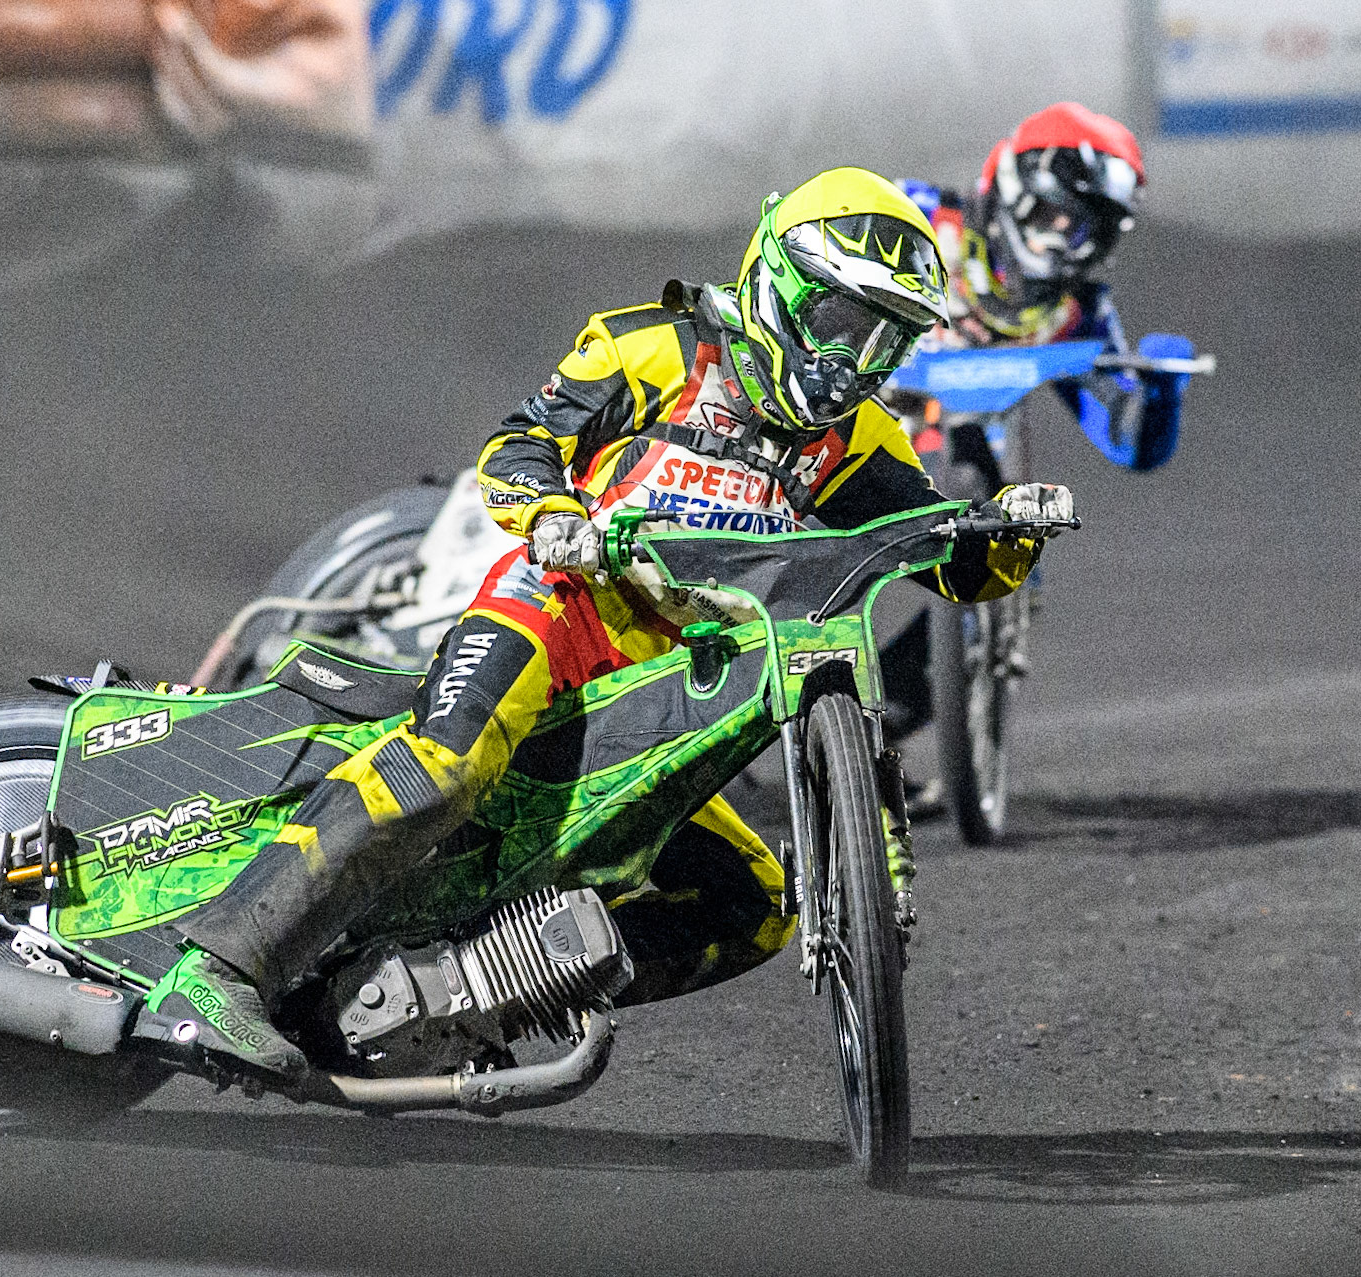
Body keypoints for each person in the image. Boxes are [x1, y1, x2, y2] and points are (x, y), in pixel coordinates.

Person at [169, 167, 1074, 1077]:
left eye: (888, 342)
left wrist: (1011, 531)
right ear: (784, 285)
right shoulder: (652, 349)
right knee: (443, 763)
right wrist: (552, 514)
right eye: (847, 324)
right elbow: (520, 443)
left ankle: (466, 989)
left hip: (667, 694)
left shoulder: (858, 441)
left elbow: (942, 555)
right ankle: (218, 970)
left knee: (757, 907)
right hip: (552, 616)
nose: (857, 362)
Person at [878, 101, 1189, 750]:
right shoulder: (917, 218)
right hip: (851, 431)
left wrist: (1159, 393)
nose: (1061, 241)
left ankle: (871, 730)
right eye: (1054, 217)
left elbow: (1126, 443)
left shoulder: (1076, 308)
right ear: (1017, 193)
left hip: (958, 460)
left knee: (1012, 561)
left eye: (1083, 228)